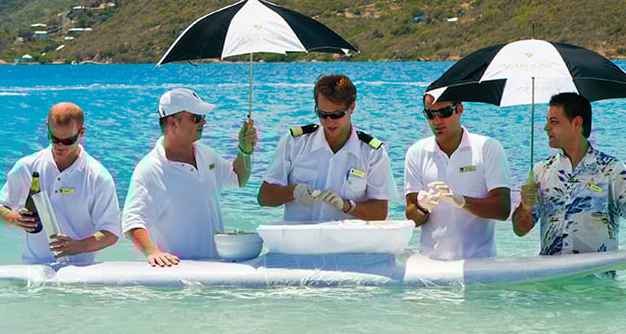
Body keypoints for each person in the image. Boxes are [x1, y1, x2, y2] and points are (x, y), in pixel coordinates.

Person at [512, 92, 626, 260]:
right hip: (551, 281)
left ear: (577, 122)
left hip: (596, 280)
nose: (546, 128)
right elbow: (520, 230)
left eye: (553, 122)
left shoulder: (610, 169)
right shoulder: (540, 171)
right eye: (547, 122)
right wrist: (525, 207)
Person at [121, 88, 256, 266]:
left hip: (214, 273)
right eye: (196, 117)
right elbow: (132, 222)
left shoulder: (205, 154)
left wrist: (244, 150)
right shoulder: (150, 169)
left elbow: (238, 179)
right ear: (173, 122)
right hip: (177, 276)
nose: (204, 121)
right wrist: (152, 252)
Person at [0, 102, 120, 263]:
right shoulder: (26, 166)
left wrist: (78, 246)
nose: (60, 146)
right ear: (47, 128)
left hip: (80, 273)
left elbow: (111, 232)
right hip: (33, 268)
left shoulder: (98, 176)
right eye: (54, 138)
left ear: (81, 133)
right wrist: (13, 218)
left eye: (68, 140)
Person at [258, 74, 397, 223]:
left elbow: (380, 211)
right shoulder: (295, 142)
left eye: (337, 115)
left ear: (352, 108)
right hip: (298, 241)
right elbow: (264, 197)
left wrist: (347, 206)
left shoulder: (372, 153)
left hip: (347, 243)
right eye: (322, 114)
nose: (329, 122)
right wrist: (293, 192)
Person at [404, 94, 511, 260]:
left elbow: (502, 209)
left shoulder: (488, 148)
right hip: (430, 263)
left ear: (459, 109)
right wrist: (422, 207)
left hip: (480, 263)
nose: (437, 121)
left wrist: (461, 201)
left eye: (445, 112)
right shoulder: (416, 152)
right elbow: (412, 219)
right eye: (430, 115)